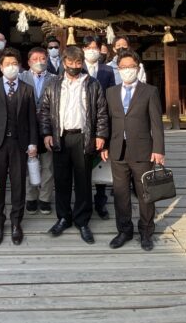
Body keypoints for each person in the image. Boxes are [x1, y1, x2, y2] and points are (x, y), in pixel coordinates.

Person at [39, 46, 109, 244]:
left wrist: (101, 135)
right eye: (70, 63)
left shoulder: (92, 84)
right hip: (60, 136)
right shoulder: (53, 84)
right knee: (61, 180)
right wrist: (46, 133)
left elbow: (102, 112)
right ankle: (63, 217)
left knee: (83, 180)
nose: (74, 66)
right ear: (64, 63)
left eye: (78, 63)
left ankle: (82, 220)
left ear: (82, 63)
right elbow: (44, 110)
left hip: (83, 137)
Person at [101, 50, 165, 251]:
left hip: (142, 149)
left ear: (137, 68)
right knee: (120, 193)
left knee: (146, 192)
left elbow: (157, 123)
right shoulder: (111, 92)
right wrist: (103, 144)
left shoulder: (149, 91)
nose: (127, 70)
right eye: (123, 67)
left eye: (131, 67)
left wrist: (158, 149)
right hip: (118, 148)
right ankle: (124, 230)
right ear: (118, 69)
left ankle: (146, 232)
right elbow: (107, 120)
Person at [0, 48, 38, 245]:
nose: (11, 67)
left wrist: (33, 142)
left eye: (14, 64)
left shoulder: (27, 88)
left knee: (18, 183)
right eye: (7, 64)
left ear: (19, 66)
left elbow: (32, 119)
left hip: (19, 143)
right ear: (1, 67)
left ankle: (16, 221)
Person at [80, 35, 115, 219]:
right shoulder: (77, 67)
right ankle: (84, 202)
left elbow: (111, 98)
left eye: (95, 47)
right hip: (81, 124)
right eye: (88, 47)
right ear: (83, 49)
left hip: (101, 123)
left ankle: (101, 202)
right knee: (84, 165)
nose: (92, 50)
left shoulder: (107, 70)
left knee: (102, 163)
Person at [20, 47, 57, 215]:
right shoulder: (21, 78)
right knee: (29, 164)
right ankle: (30, 198)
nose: (39, 62)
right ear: (28, 62)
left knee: (48, 166)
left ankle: (45, 199)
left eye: (42, 58)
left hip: (49, 127)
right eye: (35, 59)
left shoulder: (56, 79)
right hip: (27, 128)